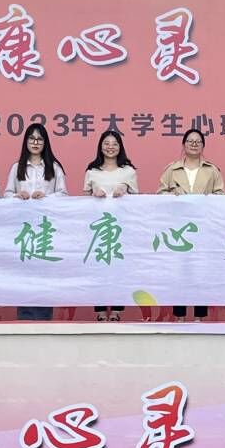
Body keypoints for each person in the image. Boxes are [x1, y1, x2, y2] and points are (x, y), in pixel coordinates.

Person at [157, 128, 224, 322]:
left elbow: (221, 196)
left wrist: (208, 199)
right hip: (178, 229)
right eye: (190, 141)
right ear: (183, 144)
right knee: (179, 271)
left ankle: (199, 316)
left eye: (198, 141)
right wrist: (172, 195)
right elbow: (159, 194)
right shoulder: (172, 169)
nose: (194, 144)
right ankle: (179, 315)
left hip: (203, 228)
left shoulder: (212, 170)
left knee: (201, 271)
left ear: (203, 146)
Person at [6, 122, 67, 321]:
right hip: (23, 231)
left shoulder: (54, 167)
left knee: (43, 277)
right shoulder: (17, 167)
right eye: (31, 138)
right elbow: (6, 194)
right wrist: (17, 196)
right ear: (26, 142)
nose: (35, 142)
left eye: (39, 139)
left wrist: (46, 197)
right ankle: (24, 320)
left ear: (45, 143)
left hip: (45, 232)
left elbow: (63, 195)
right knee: (24, 276)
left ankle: (44, 320)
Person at [84, 129, 138, 322]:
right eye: (106, 143)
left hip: (121, 228)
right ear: (100, 146)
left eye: (114, 144)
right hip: (98, 229)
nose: (110, 147)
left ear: (120, 147)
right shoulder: (92, 171)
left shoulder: (128, 171)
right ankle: (100, 310)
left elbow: (136, 199)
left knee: (119, 270)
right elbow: (84, 201)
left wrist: (124, 189)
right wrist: (93, 193)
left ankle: (116, 310)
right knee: (97, 268)